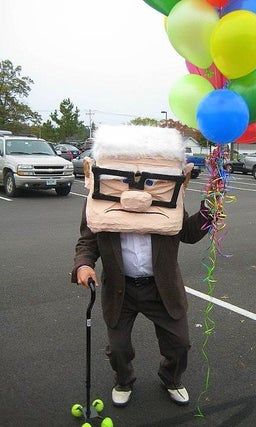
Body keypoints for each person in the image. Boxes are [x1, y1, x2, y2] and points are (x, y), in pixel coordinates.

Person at [72, 125, 208, 408]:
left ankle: (170, 378)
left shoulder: (167, 204)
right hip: (121, 289)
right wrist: (83, 266)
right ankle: (123, 380)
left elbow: (188, 233)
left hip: (161, 287)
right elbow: (87, 241)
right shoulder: (100, 205)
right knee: (118, 348)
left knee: (180, 344)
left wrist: (210, 211)